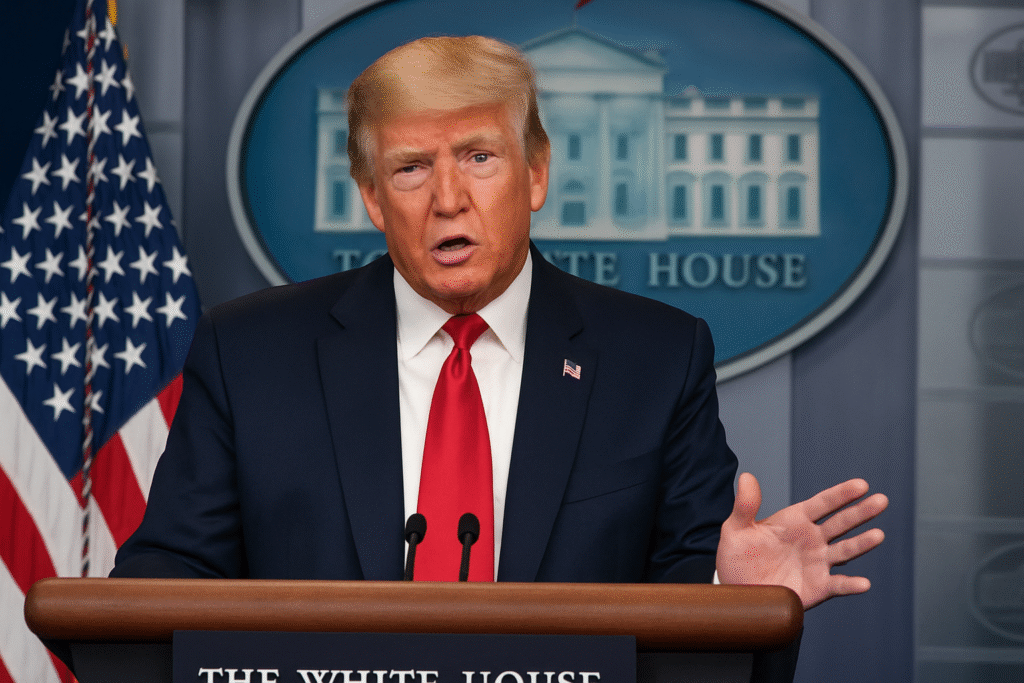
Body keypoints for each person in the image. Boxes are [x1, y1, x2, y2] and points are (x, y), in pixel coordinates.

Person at [112, 36, 887, 611]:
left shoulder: (657, 359)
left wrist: (729, 593)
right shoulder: (250, 353)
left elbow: (679, 596)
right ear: (373, 197)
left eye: (479, 157)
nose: (448, 199)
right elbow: (164, 587)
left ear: (536, 172)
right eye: (411, 167)